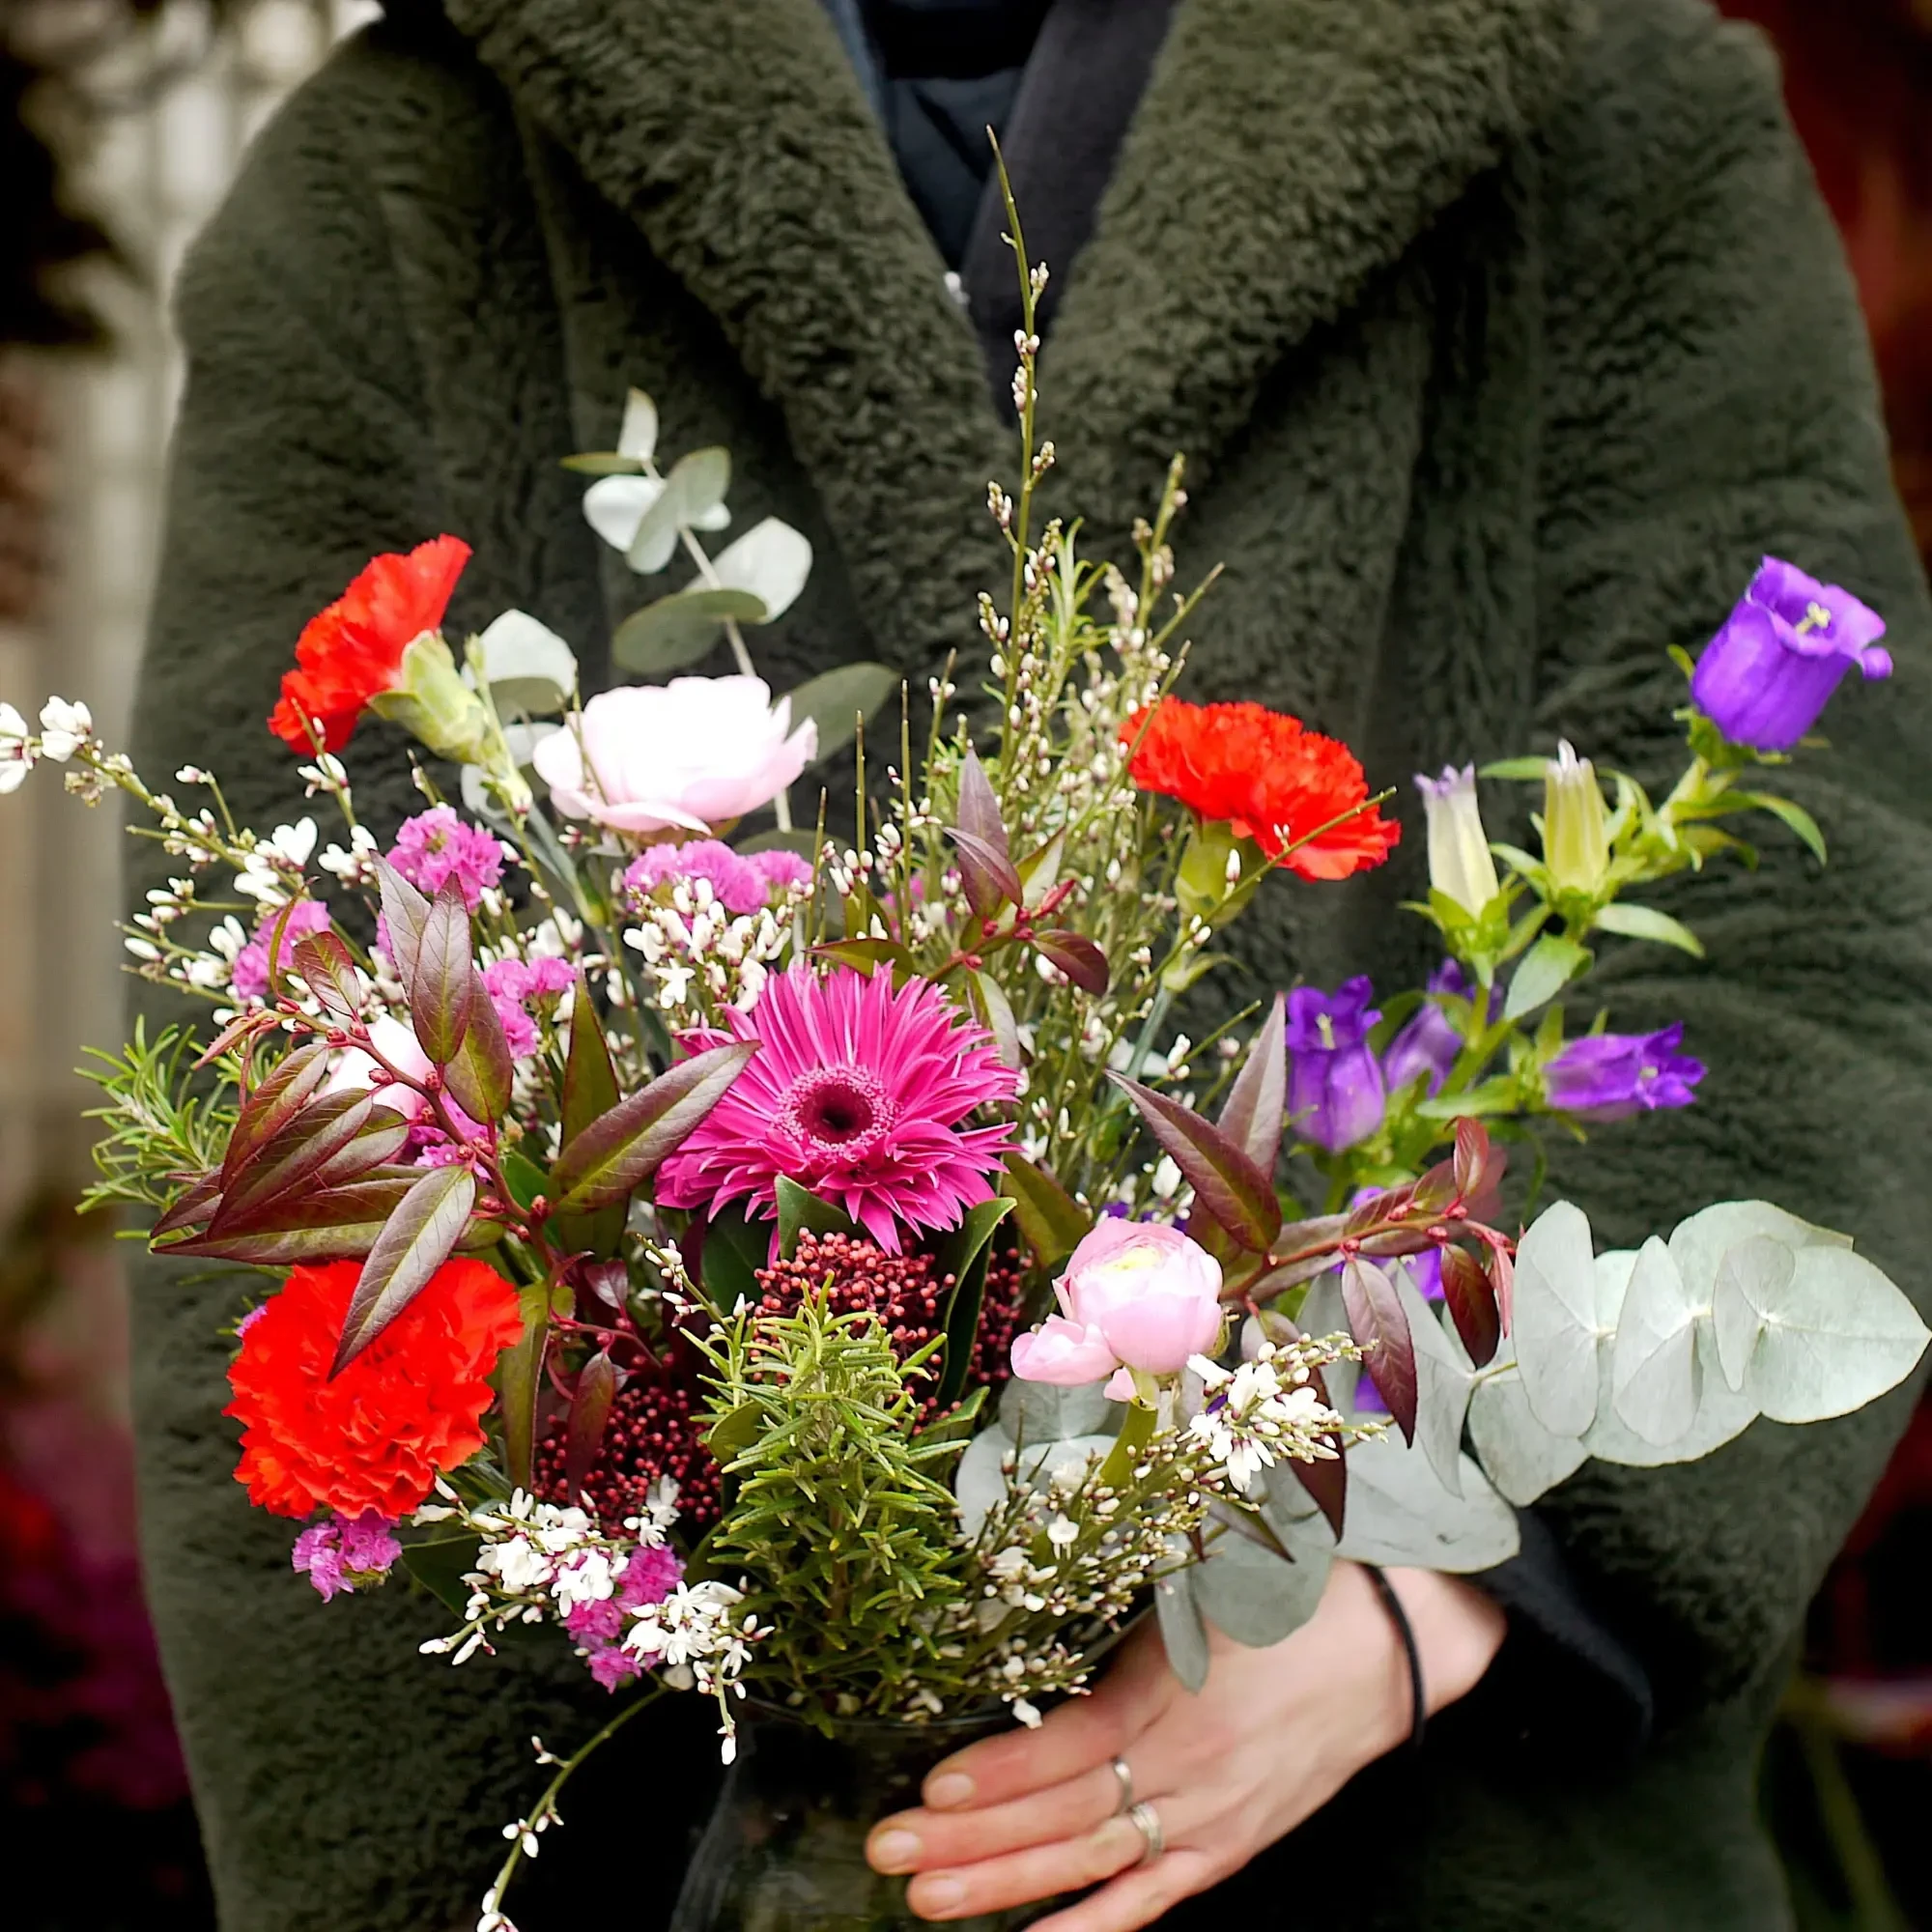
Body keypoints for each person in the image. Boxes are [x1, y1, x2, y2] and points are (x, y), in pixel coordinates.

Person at [128, 1, 1932, 1928]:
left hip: (1451, 1836)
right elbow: (298, 1117)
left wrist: (1413, 1571)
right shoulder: (406, 175)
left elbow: (1798, 952)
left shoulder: (1600, 105)